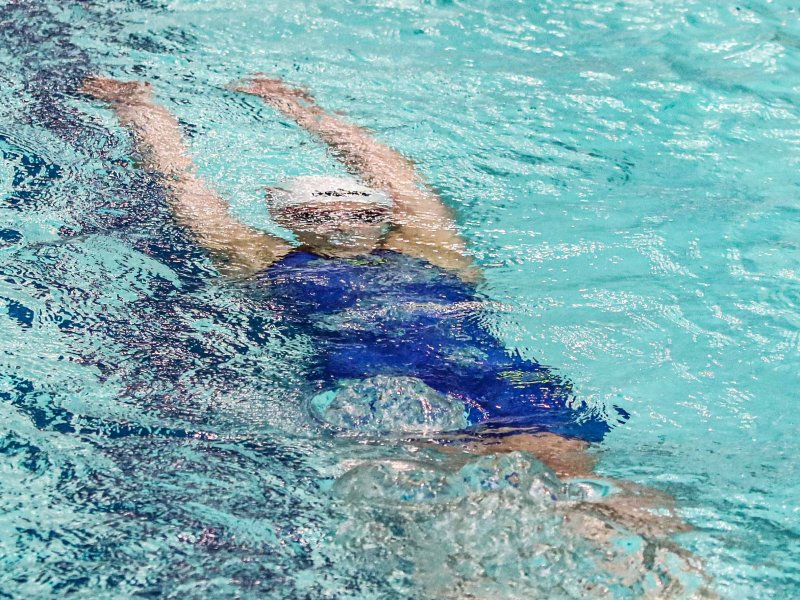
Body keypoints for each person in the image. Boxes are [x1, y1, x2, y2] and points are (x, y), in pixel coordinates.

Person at [79, 74, 627, 477]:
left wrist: (303, 110)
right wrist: (140, 111)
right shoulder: (262, 258)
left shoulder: (433, 247)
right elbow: (186, 191)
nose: (341, 223)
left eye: (359, 213)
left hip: (487, 379)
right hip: (377, 391)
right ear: (287, 220)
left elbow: (393, 171)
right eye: (318, 214)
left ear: (383, 215)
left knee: (573, 480)